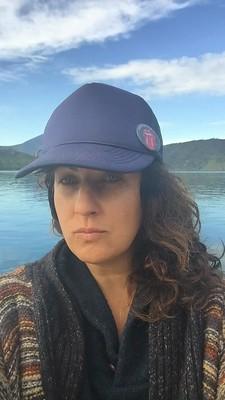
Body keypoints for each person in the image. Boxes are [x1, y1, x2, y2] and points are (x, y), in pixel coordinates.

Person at [0, 82, 224, 400]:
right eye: (68, 180)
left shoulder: (210, 311)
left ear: (149, 194)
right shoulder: (11, 307)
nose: (83, 206)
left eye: (110, 178)